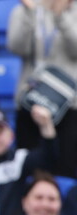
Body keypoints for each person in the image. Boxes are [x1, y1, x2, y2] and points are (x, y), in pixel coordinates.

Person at [7, 0, 77, 177]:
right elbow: (15, 46)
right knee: (30, 166)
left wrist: (61, 16)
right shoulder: (24, 9)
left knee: (66, 167)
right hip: (32, 99)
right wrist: (30, 14)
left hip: (68, 103)